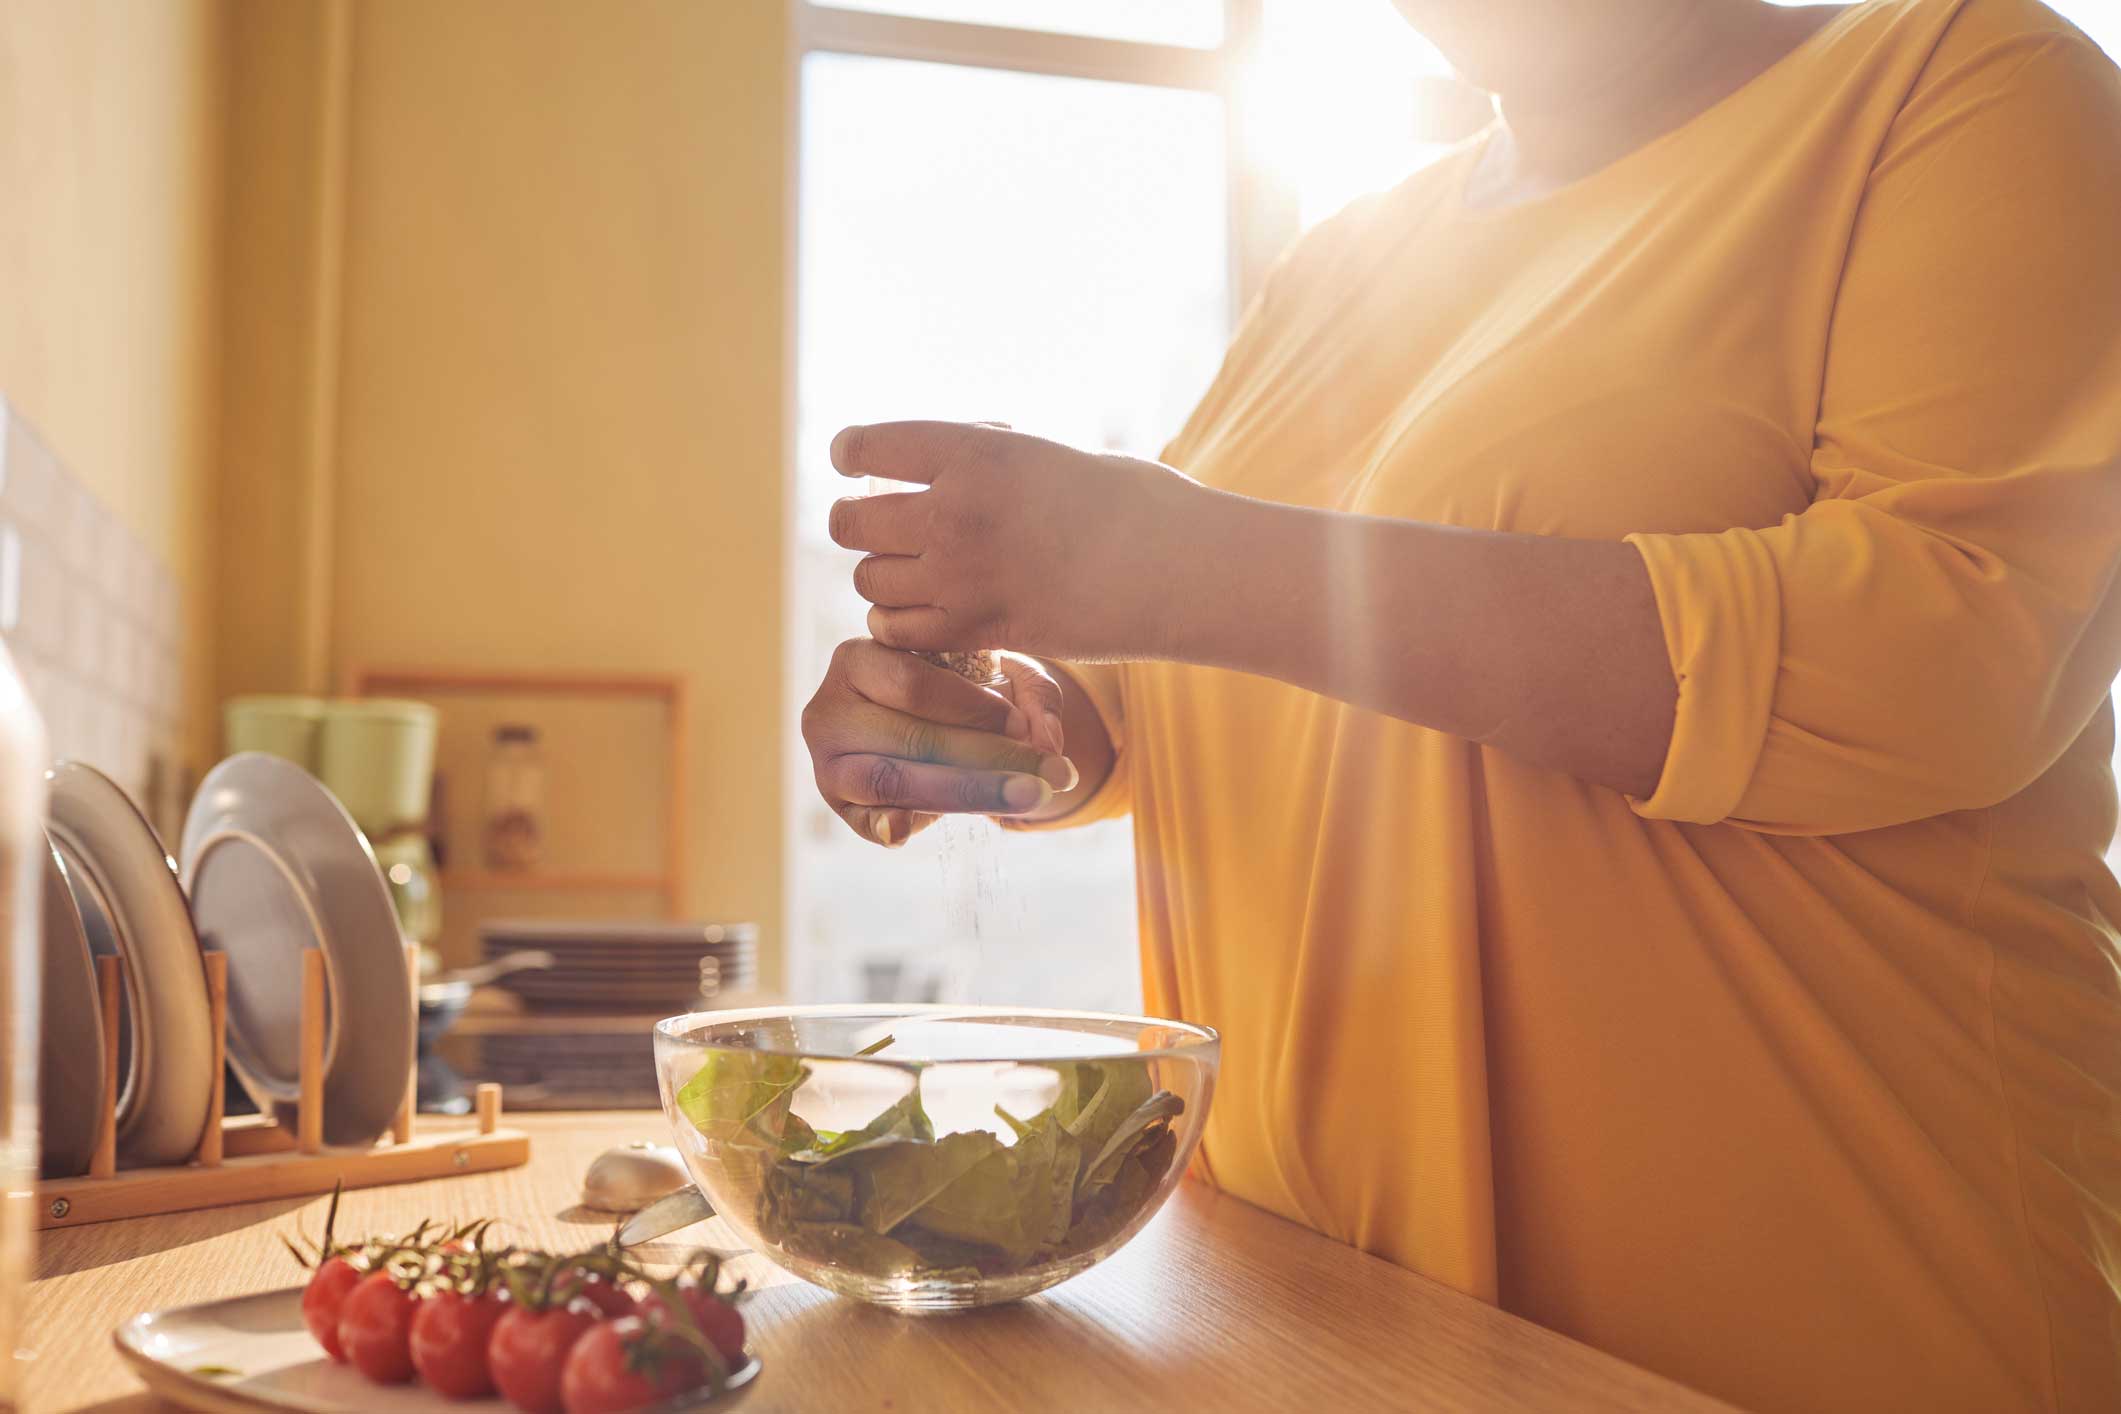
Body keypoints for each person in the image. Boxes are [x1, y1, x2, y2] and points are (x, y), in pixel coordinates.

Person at [798, 1, 2121, 1409]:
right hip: (1326, 1325)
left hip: (1832, 1336)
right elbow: (1206, 656)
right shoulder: (1351, 254)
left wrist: (1173, 562)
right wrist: (1020, 719)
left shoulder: (1961, 82)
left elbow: (1945, 657)